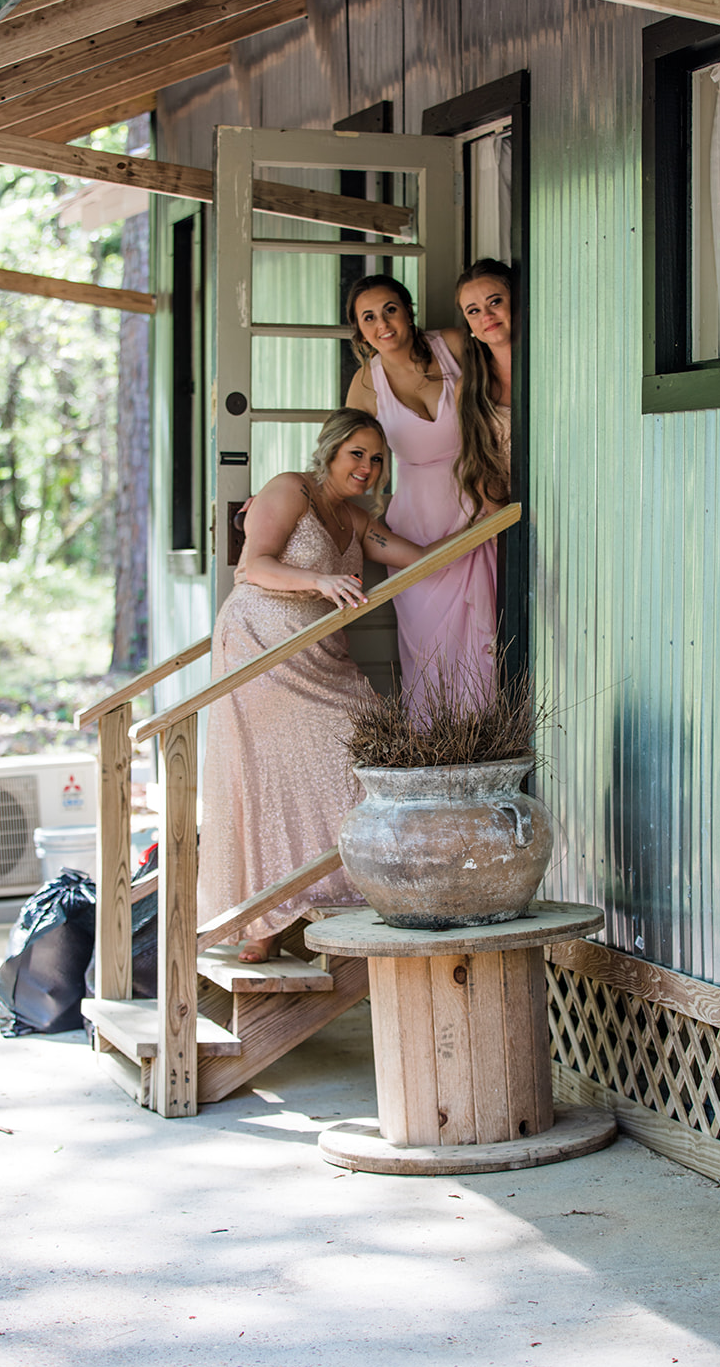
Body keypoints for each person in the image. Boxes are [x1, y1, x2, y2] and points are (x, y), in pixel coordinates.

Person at [197, 408, 459, 963]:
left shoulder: (357, 521)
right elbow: (253, 566)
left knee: (369, 737)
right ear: (331, 452)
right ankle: (262, 920)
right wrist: (319, 579)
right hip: (259, 646)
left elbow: (419, 560)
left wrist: (476, 526)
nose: (366, 467)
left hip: (320, 655)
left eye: (377, 459)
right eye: (356, 454)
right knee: (266, 774)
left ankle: (342, 886)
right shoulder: (291, 490)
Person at [344, 274, 498, 712]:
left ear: (408, 311)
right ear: (360, 330)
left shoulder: (452, 344)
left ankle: (483, 742)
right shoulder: (366, 384)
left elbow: (504, 387)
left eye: (390, 309)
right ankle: (436, 749)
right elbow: (342, 453)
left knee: (481, 639)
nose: (382, 324)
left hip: (475, 498)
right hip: (416, 521)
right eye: (368, 317)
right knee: (429, 643)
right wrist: (302, 498)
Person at [454, 257, 514, 516]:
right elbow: (483, 471)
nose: (487, 315)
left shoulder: (555, 366)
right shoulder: (469, 387)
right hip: (522, 517)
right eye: (474, 311)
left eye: (495, 301)